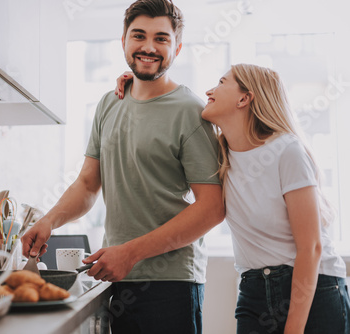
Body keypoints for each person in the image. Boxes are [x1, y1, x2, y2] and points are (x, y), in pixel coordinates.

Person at [21, 0, 225, 333]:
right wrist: (48, 221)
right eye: (139, 35)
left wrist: (129, 253)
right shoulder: (108, 103)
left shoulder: (191, 111)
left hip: (169, 284)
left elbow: (213, 208)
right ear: (123, 41)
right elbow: (88, 185)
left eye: (161, 38)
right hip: (115, 277)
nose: (148, 47)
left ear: (178, 47)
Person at [116, 63, 350, 333]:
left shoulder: (286, 151)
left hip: (313, 290)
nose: (209, 90)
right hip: (253, 289)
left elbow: (311, 248)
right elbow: (169, 112)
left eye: (221, 82)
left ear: (244, 98)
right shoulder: (221, 156)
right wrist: (141, 83)